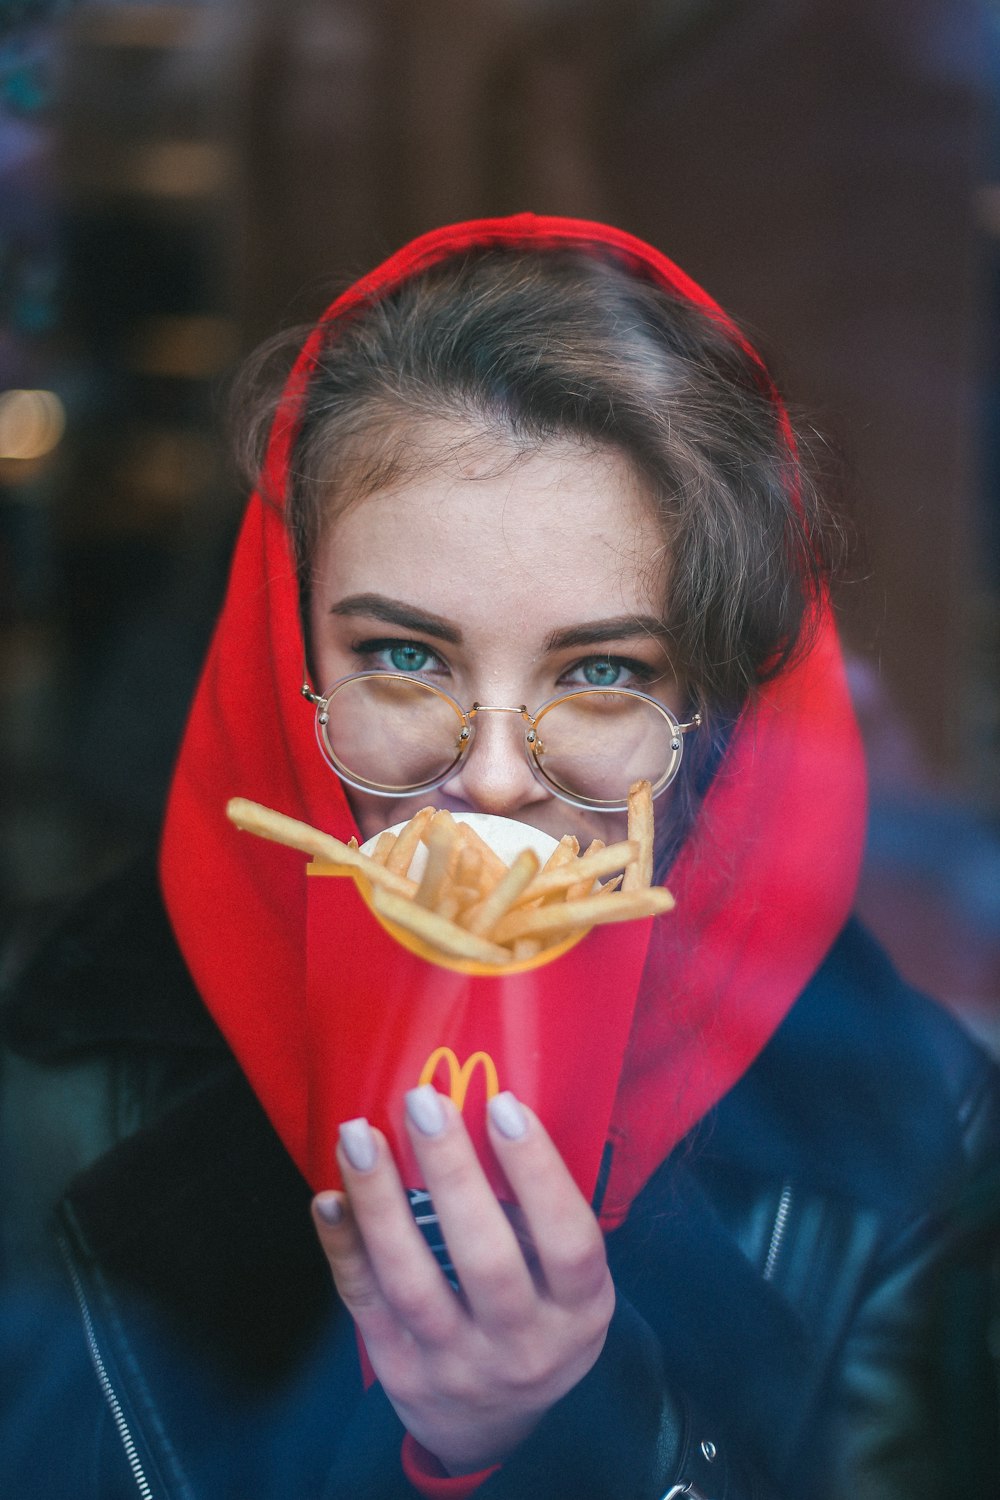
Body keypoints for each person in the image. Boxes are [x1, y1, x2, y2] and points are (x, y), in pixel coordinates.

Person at [1, 213, 997, 1500]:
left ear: (708, 715)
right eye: (404, 656)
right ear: (288, 662)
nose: (490, 775)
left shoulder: (916, 1140)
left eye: (600, 673)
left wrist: (583, 1432)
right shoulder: (40, 1089)